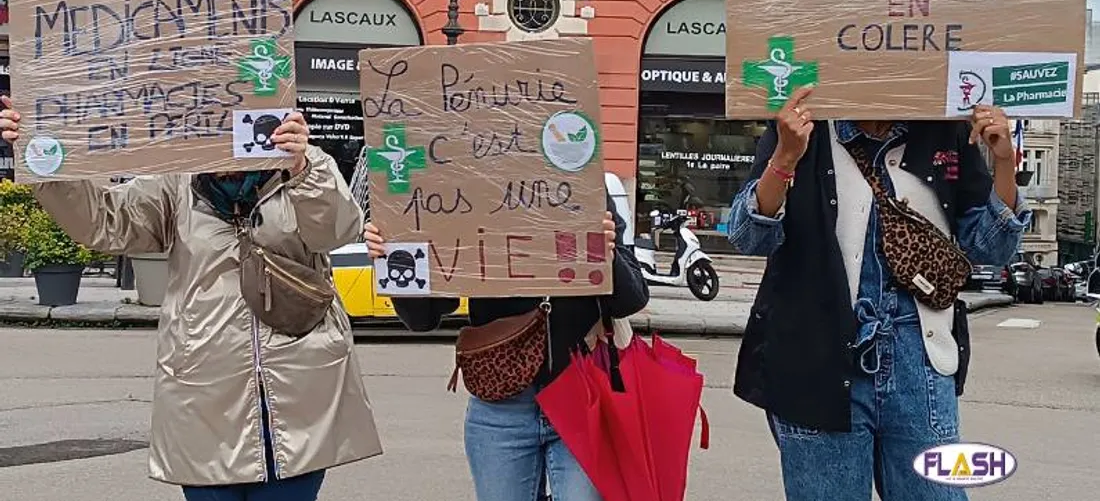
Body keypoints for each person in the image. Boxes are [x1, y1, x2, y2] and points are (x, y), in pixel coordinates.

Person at [0, 95, 381, 501]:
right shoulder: (177, 179)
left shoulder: (304, 166)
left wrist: (302, 166)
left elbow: (337, 231)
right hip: (203, 391)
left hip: (300, 384)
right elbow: (106, 222)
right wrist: (44, 158)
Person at [728, 87, 1029, 501]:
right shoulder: (802, 127)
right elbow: (748, 238)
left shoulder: (947, 130)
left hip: (919, 366)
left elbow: (990, 248)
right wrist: (784, 158)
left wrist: (1003, 164)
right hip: (816, 360)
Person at [363, 193, 648, 501]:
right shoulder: (464, 195)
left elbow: (632, 299)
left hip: (582, 399)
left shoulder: (585, 189)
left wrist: (608, 256)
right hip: (499, 407)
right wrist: (394, 256)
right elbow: (424, 317)